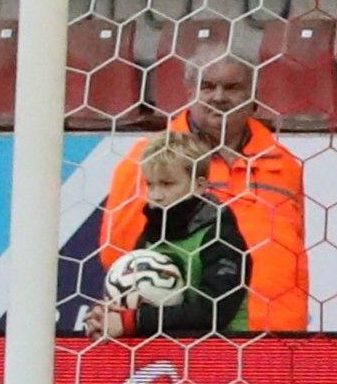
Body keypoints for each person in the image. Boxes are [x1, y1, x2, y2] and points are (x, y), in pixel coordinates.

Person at [95, 53, 310, 332]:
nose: (219, 97)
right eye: (207, 87)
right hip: (188, 336)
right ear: (189, 93)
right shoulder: (147, 160)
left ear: (253, 95)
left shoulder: (283, 163)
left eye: (232, 88)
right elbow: (120, 256)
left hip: (280, 333)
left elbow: (295, 243)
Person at [79, 133, 249, 337]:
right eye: (150, 184)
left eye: (167, 184)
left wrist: (134, 320)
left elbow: (214, 312)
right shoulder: (151, 235)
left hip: (222, 356)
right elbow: (131, 300)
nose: (156, 196)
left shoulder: (221, 236)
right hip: (163, 357)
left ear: (200, 186)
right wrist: (107, 315)